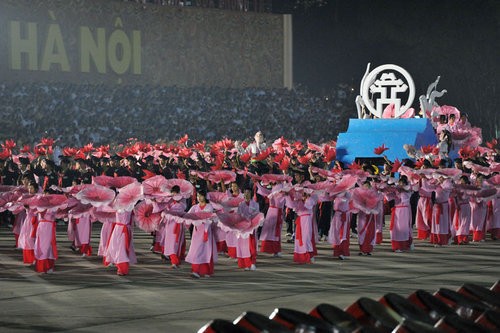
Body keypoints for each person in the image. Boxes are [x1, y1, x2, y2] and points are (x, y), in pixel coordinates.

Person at [185, 191, 217, 278]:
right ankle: (196, 271)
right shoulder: (195, 207)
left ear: (205, 197)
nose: (199, 198)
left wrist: (197, 217)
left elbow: (207, 216)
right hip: (196, 233)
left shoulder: (209, 206)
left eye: (201, 196)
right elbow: (187, 215)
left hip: (205, 232)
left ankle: (205, 271)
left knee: (206, 251)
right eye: (198, 196)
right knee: (197, 250)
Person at [384, 176, 414, 252]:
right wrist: (385, 192)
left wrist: (400, 190)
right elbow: (389, 198)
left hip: (404, 211)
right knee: (396, 229)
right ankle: (397, 246)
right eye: (400, 183)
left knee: (404, 228)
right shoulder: (397, 191)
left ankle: (406, 245)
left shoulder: (408, 190)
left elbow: (407, 192)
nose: (400, 184)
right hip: (397, 211)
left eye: (402, 183)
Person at [256, 181, 286, 257]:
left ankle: (277, 250)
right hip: (271, 211)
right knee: (269, 231)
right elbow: (264, 191)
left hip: (277, 212)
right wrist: (257, 183)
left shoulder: (281, 192)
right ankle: (272, 249)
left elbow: (279, 203)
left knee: (276, 232)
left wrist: (272, 198)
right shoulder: (273, 190)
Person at [162, 185, 187, 269]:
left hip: (177, 225)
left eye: (175, 193)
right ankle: (174, 261)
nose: (173, 194)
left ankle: (175, 261)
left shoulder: (182, 202)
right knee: (169, 243)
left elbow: (182, 210)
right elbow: (163, 209)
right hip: (169, 225)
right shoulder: (169, 201)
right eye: (172, 193)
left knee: (175, 243)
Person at [236, 188, 260, 270]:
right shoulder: (241, 205)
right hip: (243, 228)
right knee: (244, 246)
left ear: (251, 194)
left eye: (248, 192)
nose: (246, 194)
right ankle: (246, 263)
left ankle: (252, 262)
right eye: (245, 192)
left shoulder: (255, 204)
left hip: (251, 227)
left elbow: (257, 215)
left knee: (251, 246)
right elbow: (238, 215)